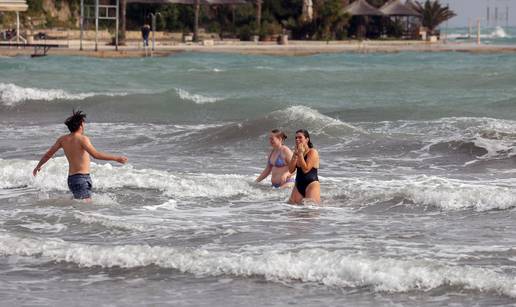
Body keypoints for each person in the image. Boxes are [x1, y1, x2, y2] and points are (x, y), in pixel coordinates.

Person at [32, 110, 128, 201]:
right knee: (86, 208)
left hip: (72, 179)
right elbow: (96, 155)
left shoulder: (62, 139)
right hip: (81, 179)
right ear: (80, 125)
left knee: (81, 207)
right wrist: (116, 158)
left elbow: (48, 154)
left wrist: (38, 166)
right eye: (83, 124)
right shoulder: (82, 139)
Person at [288, 129, 320, 204]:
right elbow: (291, 170)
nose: (297, 139)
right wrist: (295, 155)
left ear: (307, 139)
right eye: (296, 138)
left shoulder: (312, 152)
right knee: (292, 210)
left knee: (310, 212)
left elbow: (306, 169)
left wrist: (300, 154)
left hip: (311, 184)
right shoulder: (297, 152)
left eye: (300, 137)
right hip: (298, 185)